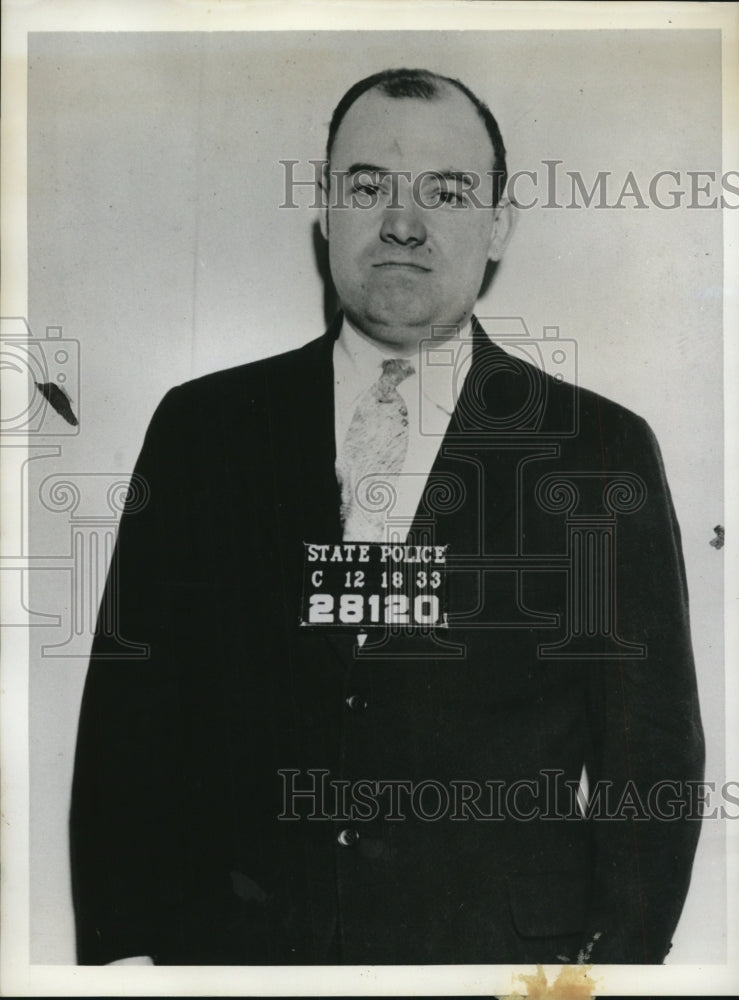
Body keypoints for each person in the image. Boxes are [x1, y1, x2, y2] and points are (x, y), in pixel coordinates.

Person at [70, 67, 705, 966]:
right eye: (368, 185)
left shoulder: (597, 450)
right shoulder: (204, 428)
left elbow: (653, 758)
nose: (402, 222)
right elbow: (129, 723)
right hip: (240, 961)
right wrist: (122, 958)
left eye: (445, 192)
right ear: (325, 209)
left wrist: (607, 976)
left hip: (499, 965)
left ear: (497, 223)